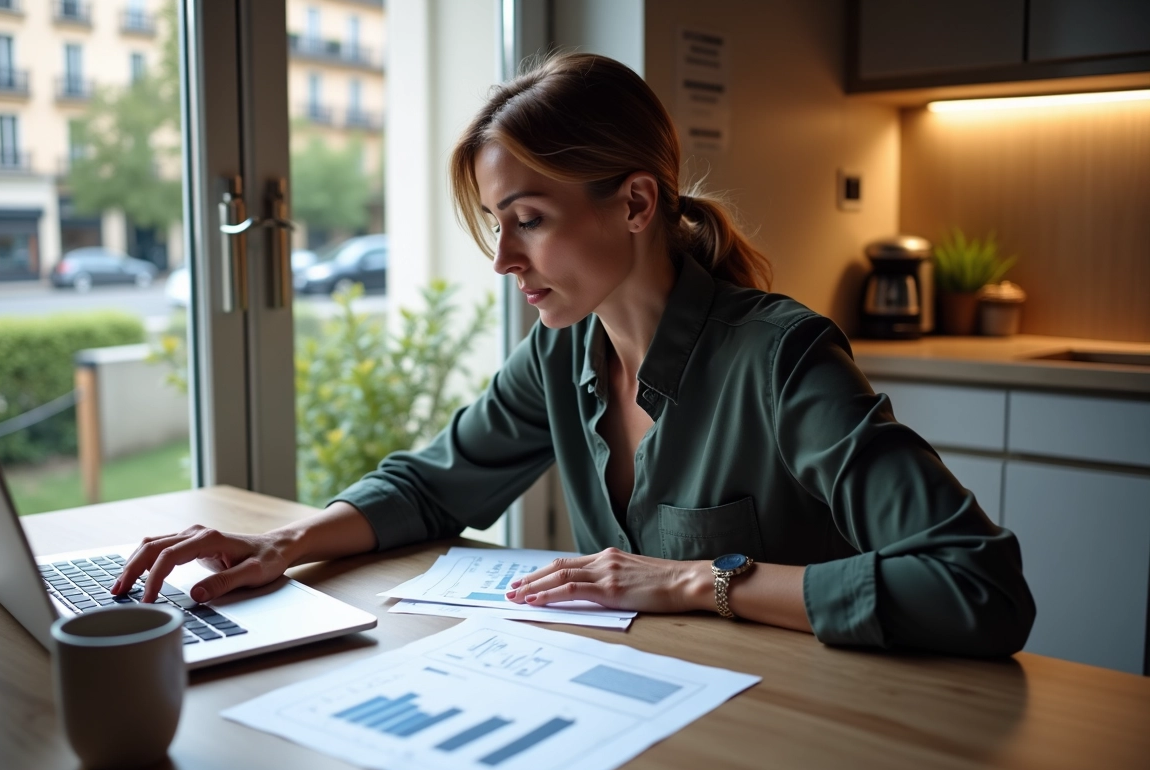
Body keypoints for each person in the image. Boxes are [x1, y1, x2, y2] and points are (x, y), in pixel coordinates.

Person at [114, 54, 1035, 657]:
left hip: (809, 735)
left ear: (635, 204)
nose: (504, 260)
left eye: (529, 220)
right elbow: (431, 487)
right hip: (650, 711)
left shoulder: (782, 360)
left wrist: (692, 580)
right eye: (497, 224)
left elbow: (978, 584)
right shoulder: (561, 356)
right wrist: (280, 544)